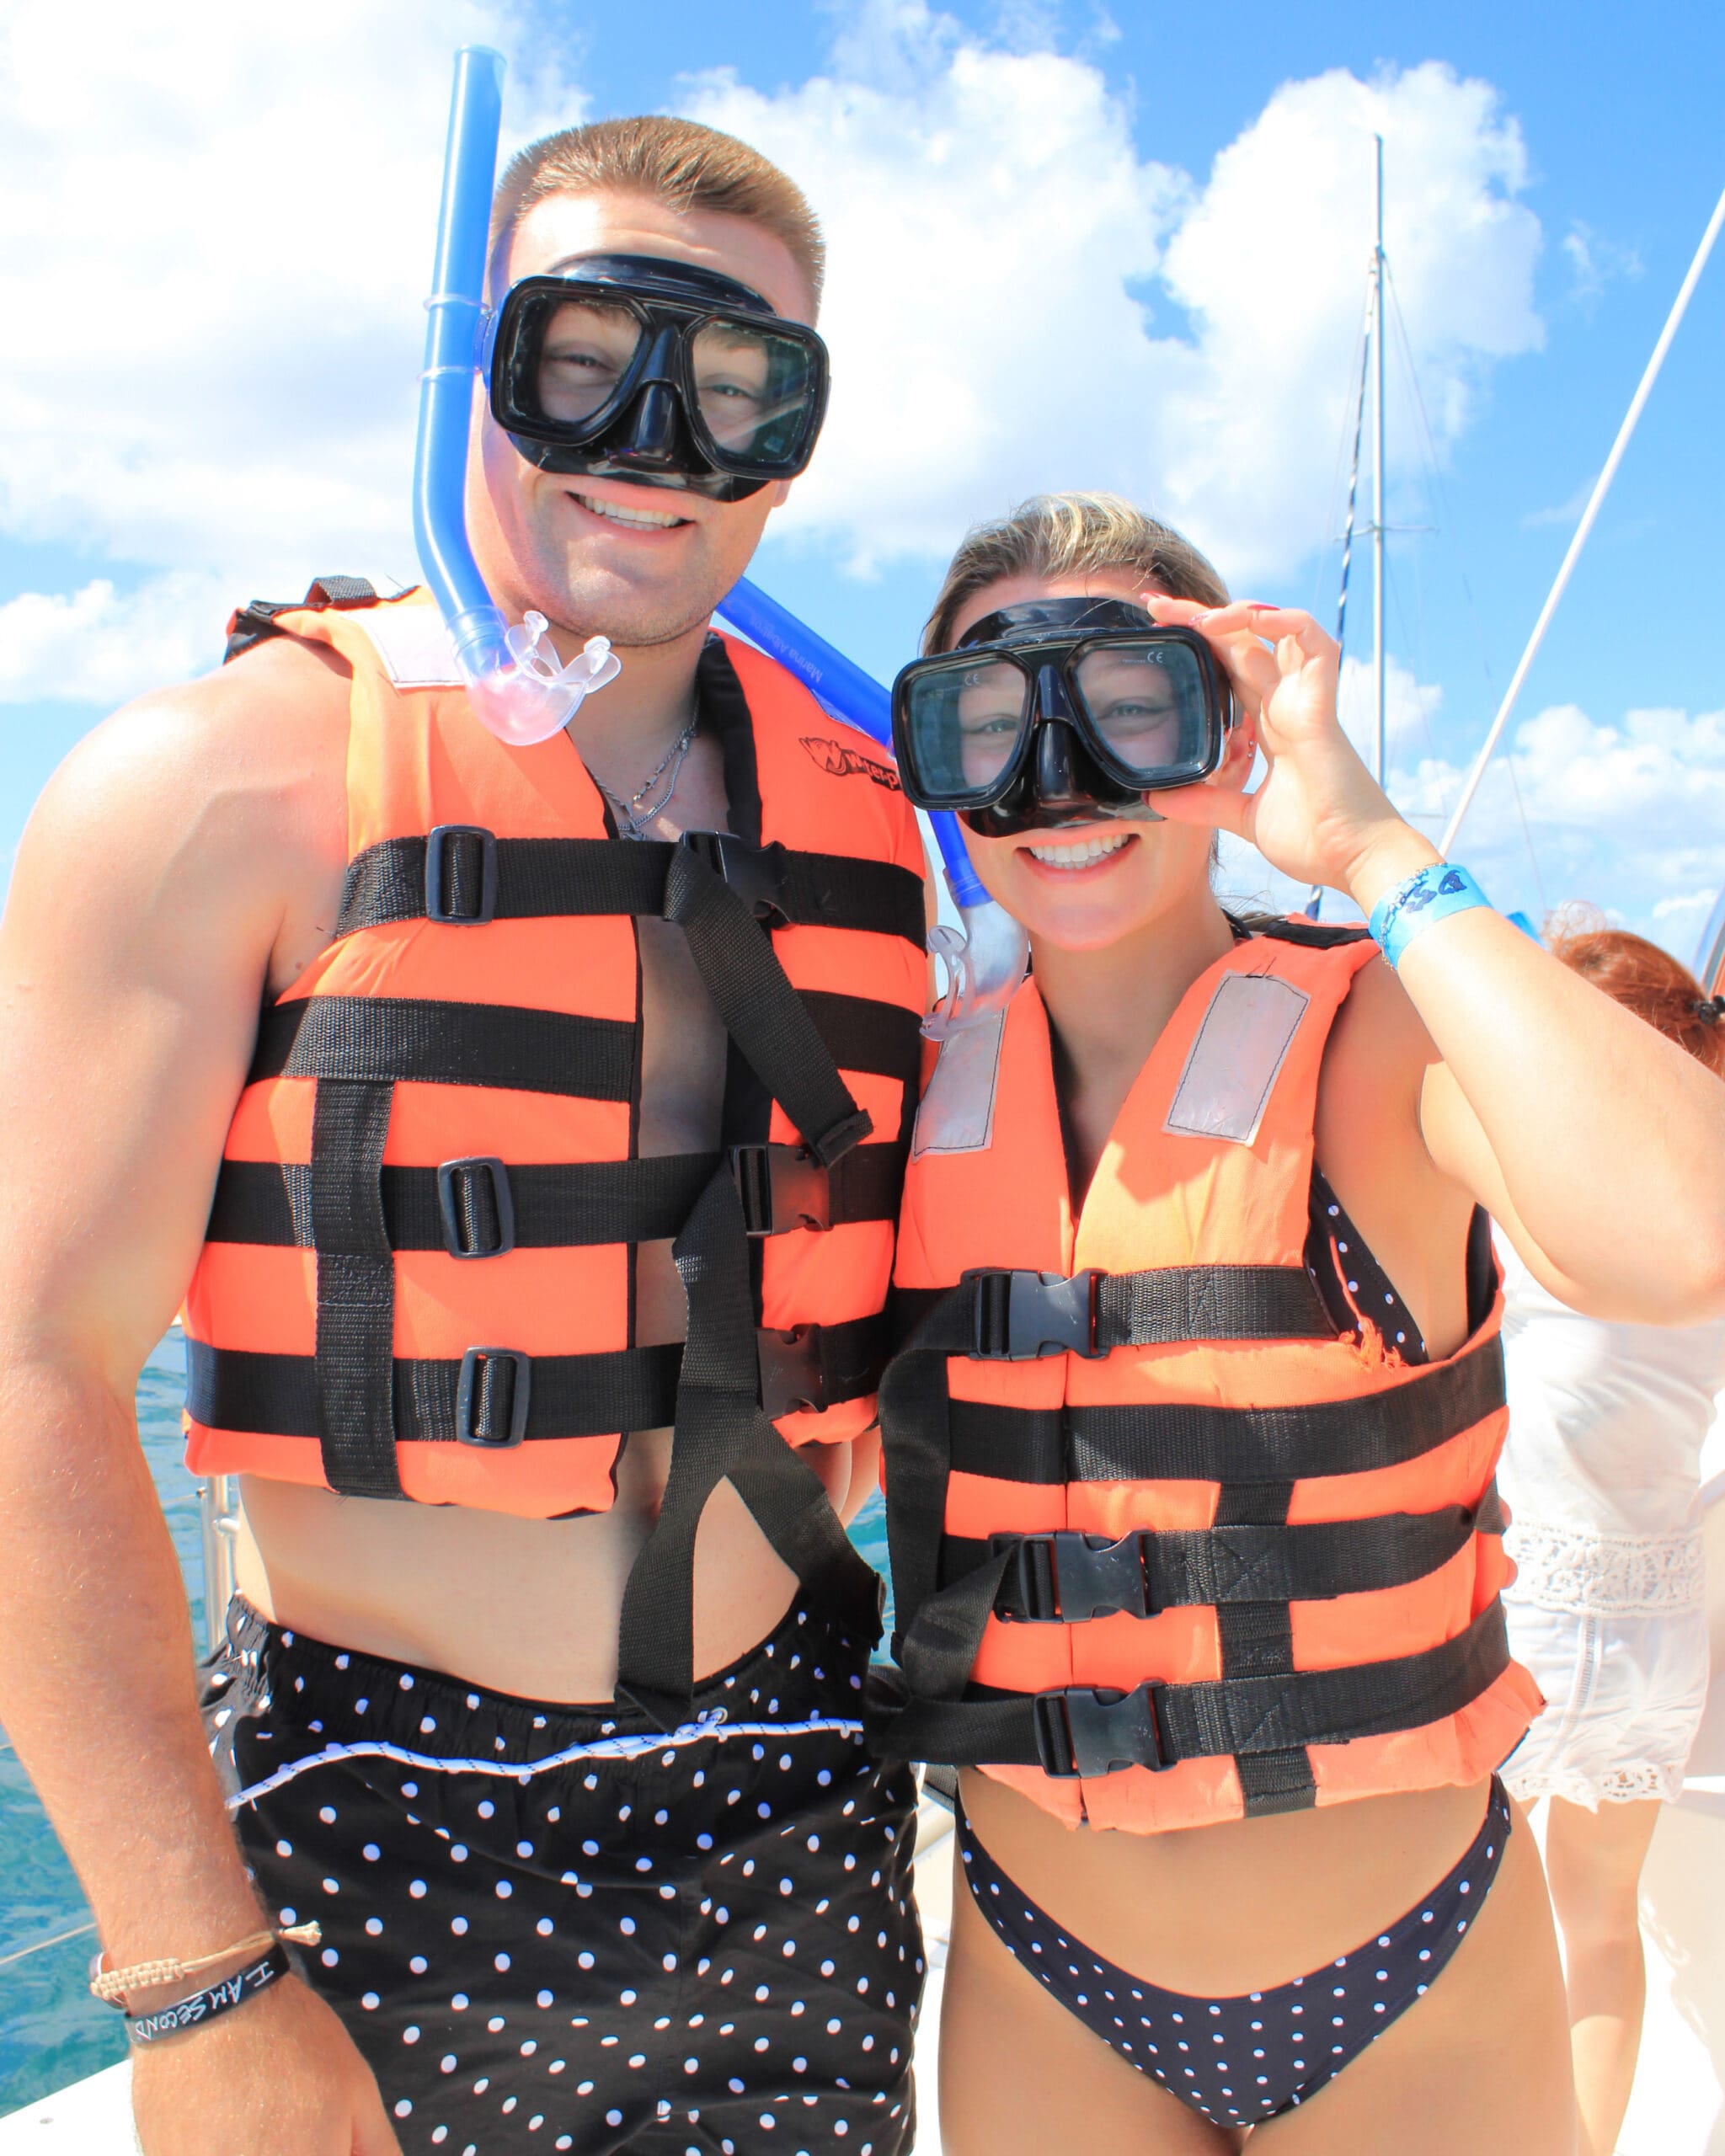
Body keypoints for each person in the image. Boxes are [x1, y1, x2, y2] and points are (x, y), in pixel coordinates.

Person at [0, 114, 931, 2156]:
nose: (653, 435)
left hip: (799, 1782)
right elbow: (29, 1380)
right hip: (380, 1817)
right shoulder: (213, 787)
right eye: (587, 353)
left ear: (800, 438)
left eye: (744, 381)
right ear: (476, 364)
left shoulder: (894, 826)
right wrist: (188, 1969)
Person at [869, 490, 1725, 2153]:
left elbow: (1685, 1235)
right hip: (1039, 1974)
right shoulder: (915, 1084)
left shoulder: (1371, 1037)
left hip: (1396, 1983)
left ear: (1228, 723)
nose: (1060, 772)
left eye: (1130, 706)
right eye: (991, 717)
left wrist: (1365, 845)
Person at [1494, 916, 1725, 2156]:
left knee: (1446, 1938)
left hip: (1521, 1627)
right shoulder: (1708, 1228)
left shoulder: (1538, 1226)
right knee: (1597, 1926)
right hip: (1652, 1642)